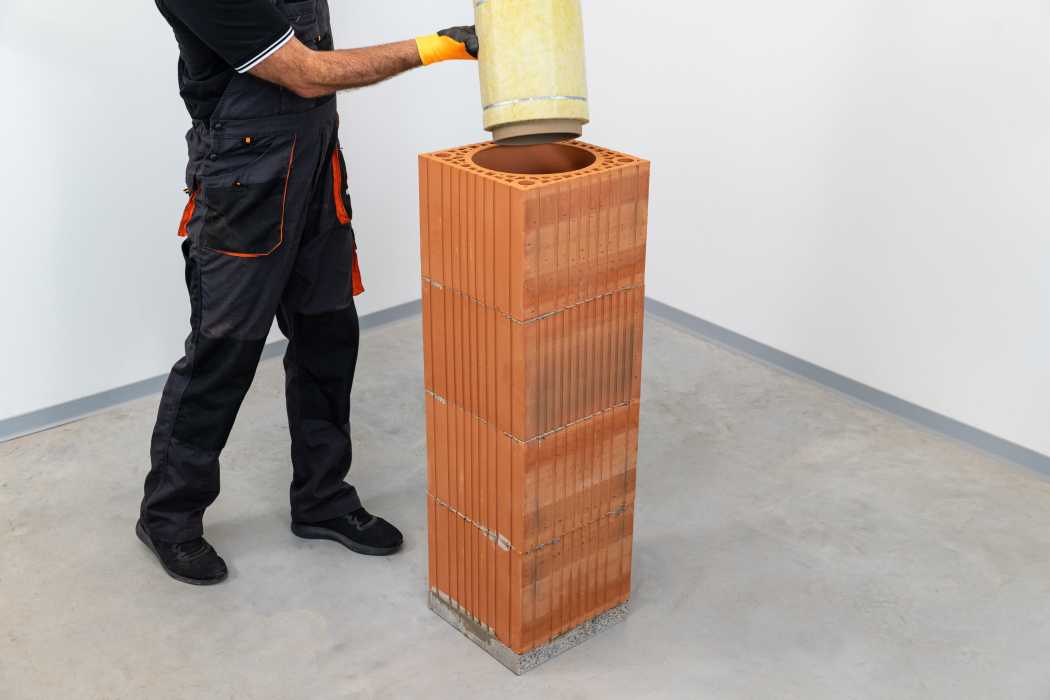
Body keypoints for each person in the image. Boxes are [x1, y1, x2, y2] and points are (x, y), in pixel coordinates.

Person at [137, 0, 478, 586]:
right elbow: (305, 73)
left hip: (317, 168)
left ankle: (322, 499)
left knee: (328, 338)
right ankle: (168, 517)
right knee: (222, 356)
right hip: (245, 184)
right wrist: (436, 47)